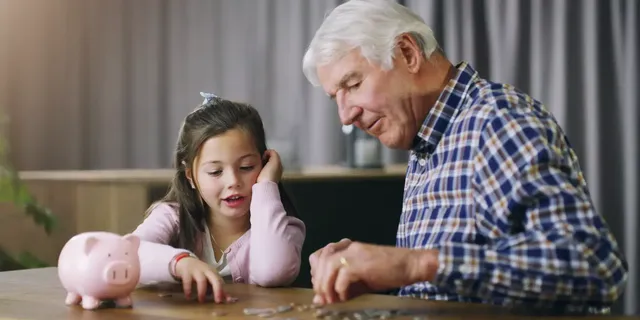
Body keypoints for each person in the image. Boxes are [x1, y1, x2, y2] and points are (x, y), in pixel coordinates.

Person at [301, 0, 628, 314]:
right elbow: (447, 289)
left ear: (407, 53)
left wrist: (412, 264)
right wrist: (373, 275)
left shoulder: (498, 121)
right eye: (335, 98)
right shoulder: (427, 137)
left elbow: (594, 265)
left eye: (354, 84)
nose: (345, 116)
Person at [132, 92, 306, 303]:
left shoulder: (280, 226)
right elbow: (129, 254)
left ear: (263, 164)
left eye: (246, 167)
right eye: (215, 172)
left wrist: (267, 185)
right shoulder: (173, 216)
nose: (233, 181)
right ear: (191, 177)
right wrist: (179, 262)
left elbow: (273, 272)